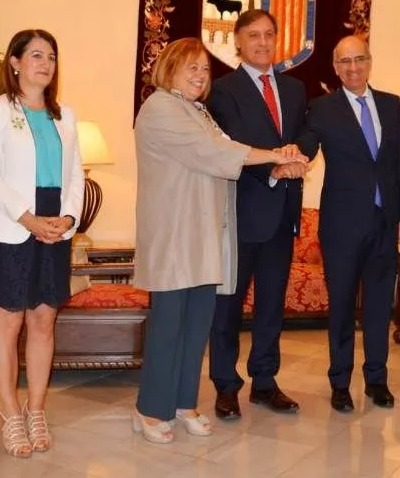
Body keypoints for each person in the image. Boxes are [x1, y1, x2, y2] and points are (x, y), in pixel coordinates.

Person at [132, 37, 308, 444]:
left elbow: (224, 148)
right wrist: (277, 155)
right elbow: (213, 152)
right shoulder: (160, 107)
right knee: (169, 326)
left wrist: (273, 162)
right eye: (191, 67)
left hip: (203, 234)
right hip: (174, 236)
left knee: (197, 326)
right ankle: (150, 408)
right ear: (169, 69)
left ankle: (183, 403)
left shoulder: (198, 111)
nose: (201, 75)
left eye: (205, 68)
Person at [0, 29, 85, 458]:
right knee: (10, 323)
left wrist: (69, 218)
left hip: (55, 223)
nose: (46, 63)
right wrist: (27, 218)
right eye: (36, 55)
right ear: (15, 62)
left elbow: (76, 175)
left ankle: (35, 409)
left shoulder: (66, 115)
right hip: (14, 224)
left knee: (43, 321)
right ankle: (9, 413)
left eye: (51, 56)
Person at [298, 35, 400, 413]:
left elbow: (399, 162)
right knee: (343, 308)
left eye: (359, 59)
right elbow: (306, 146)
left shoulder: (391, 104)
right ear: (335, 67)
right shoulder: (322, 107)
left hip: (384, 223)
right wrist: (288, 156)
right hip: (342, 226)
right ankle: (340, 382)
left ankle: (377, 380)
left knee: (380, 307)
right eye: (344, 61)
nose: (353, 67)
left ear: (369, 61)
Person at [206, 9, 310, 420]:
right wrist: (273, 168)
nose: (263, 42)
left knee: (271, 305)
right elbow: (231, 144)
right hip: (241, 212)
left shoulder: (295, 88)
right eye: (253, 35)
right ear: (238, 41)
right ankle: (226, 386)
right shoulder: (222, 90)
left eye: (269, 34)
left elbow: (306, 134)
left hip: (282, 214)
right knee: (227, 307)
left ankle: (265, 382)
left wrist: (299, 156)